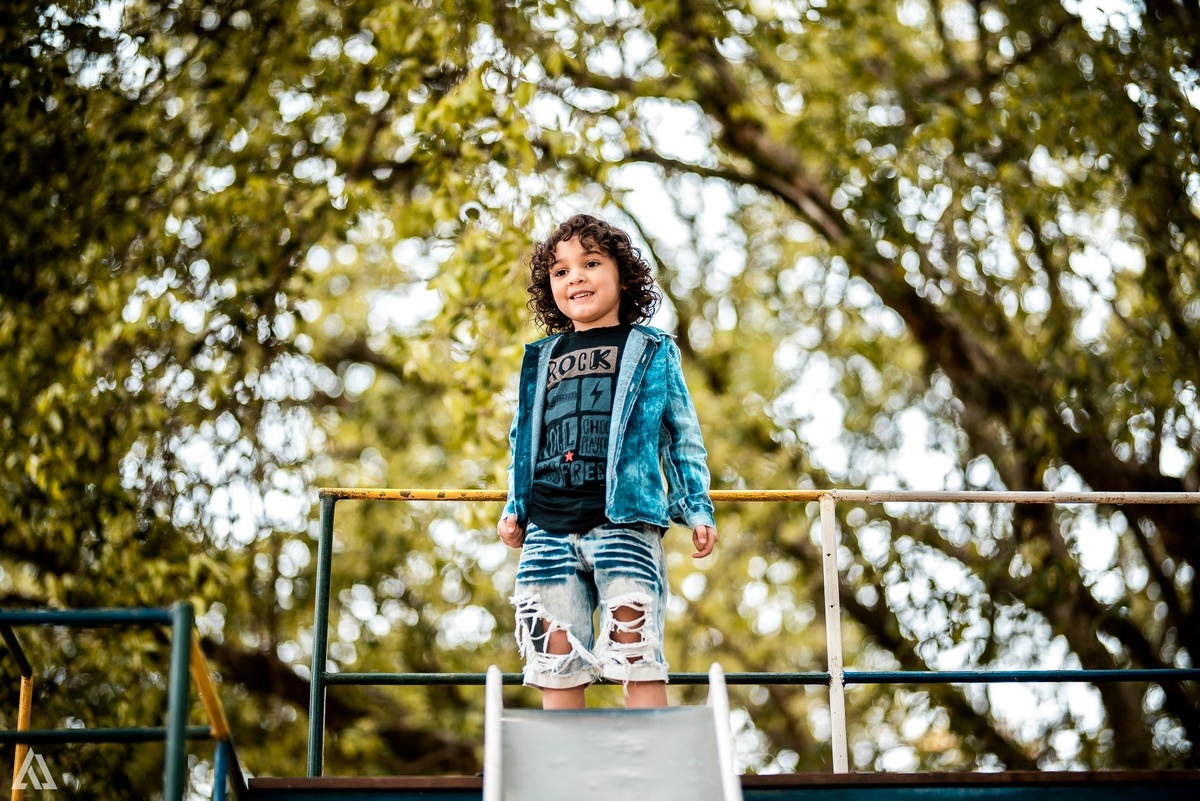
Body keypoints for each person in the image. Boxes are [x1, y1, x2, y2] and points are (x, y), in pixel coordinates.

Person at [497, 213, 718, 710]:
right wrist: (515, 507)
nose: (575, 276)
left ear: (622, 276)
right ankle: (564, 776)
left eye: (590, 263)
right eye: (560, 271)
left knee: (634, 650)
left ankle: (653, 772)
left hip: (623, 520)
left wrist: (696, 507)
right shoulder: (542, 358)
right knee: (554, 662)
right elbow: (522, 441)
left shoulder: (652, 351)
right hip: (548, 528)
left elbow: (680, 436)